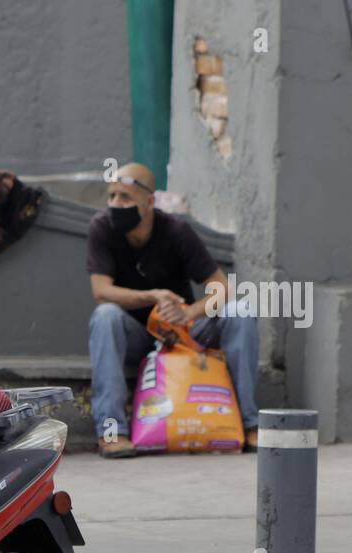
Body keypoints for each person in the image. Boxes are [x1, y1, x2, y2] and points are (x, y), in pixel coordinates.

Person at [86, 162, 259, 458]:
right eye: (111, 196)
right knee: (105, 316)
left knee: (240, 311)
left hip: (183, 335)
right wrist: (151, 296)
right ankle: (112, 432)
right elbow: (101, 292)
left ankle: (250, 425)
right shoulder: (102, 227)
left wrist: (189, 313)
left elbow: (222, 288)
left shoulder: (177, 231)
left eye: (125, 197)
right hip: (136, 337)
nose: (116, 204)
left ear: (149, 202)